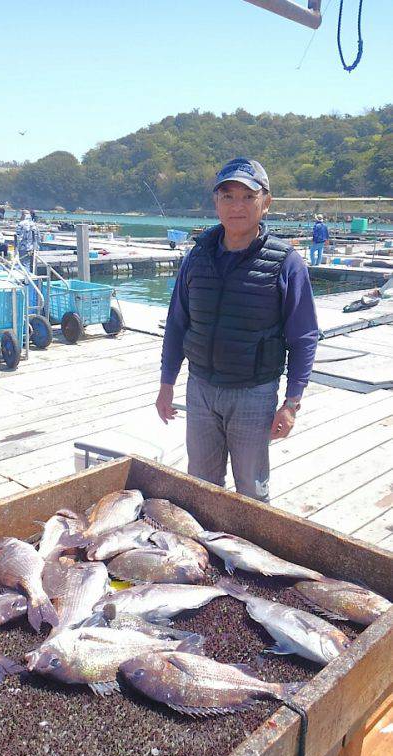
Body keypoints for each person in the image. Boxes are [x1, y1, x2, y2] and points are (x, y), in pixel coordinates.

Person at [156, 157, 319, 502]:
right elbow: (176, 323)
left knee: (251, 491)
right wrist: (166, 383)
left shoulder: (286, 261)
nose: (237, 206)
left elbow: (303, 337)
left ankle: (249, 553)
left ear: (266, 202)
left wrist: (291, 403)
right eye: (227, 196)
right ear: (215, 203)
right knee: (200, 485)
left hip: (253, 393)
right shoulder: (196, 257)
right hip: (200, 388)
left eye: (248, 196)